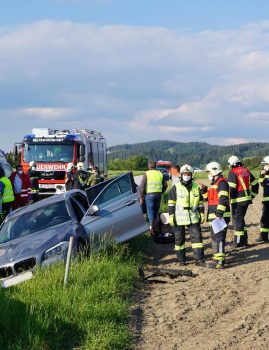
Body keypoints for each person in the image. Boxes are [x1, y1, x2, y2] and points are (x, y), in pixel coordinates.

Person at [168, 164, 206, 266]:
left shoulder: (196, 187)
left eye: (188, 174)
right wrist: (171, 216)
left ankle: (199, 260)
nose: (187, 176)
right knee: (179, 240)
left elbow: (200, 202)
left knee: (197, 239)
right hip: (179, 218)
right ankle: (181, 260)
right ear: (181, 175)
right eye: (185, 174)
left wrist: (202, 213)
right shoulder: (176, 187)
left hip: (193, 217)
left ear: (191, 174)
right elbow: (171, 202)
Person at [201, 162, 230, 269]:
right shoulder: (215, 183)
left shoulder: (222, 183)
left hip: (220, 216)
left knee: (219, 238)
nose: (208, 174)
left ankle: (220, 262)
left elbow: (223, 199)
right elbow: (208, 200)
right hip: (215, 216)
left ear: (214, 171)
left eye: (208, 172)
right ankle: (217, 258)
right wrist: (204, 191)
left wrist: (219, 214)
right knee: (215, 238)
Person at [227, 155, 259, 247]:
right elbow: (255, 185)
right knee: (241, 220)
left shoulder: (233, 172)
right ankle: (244, 241)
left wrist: (228, 199)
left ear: (232, 164)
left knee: (238, 220)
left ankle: (238, 242)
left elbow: (232, 189)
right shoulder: (246, 171)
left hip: (237, 201)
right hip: (246, 200)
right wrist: (250, 196)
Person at [138, 161, 167, 237]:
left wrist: (141, 197)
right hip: (158, 195)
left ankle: (152, 229)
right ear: (156, 166)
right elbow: (165, 185)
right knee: (156, 211)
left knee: (150, 212)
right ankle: (156, 228)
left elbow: (142, 186)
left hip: (149, 195)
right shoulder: (160, 173)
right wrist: (161, 192)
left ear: (148, 166)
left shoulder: (146, 173)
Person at [256, 156, 269, 242]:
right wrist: (262, 174)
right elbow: (262, 183)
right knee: (265, 219)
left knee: (265, 218)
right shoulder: (266, 174)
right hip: (267, 201)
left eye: (266, 165)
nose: (264, 166)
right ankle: (263, 237)